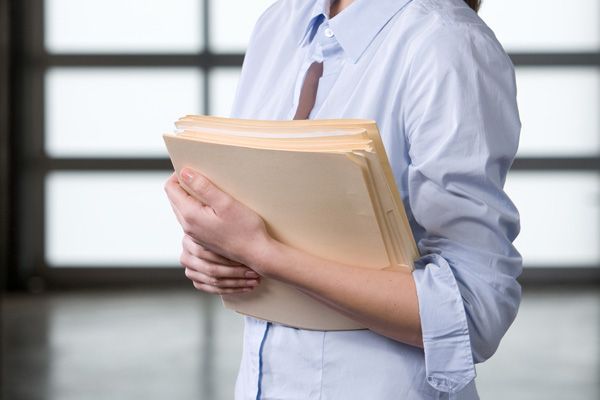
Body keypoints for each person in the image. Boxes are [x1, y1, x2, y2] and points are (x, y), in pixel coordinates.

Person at [164, 0, 522, 398]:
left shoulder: (447, 42)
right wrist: (215, 246)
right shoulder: (279, 23)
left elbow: (473, 314)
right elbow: (265, 212)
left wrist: (262, 253)